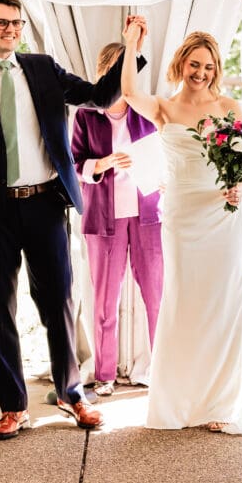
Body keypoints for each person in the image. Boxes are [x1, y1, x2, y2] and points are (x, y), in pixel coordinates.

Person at [0, 0, 139, 439]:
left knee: (59, 300)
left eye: (16, 23)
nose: (10, 30)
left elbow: (101, 95)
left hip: (46, 203)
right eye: (1, 22)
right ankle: (13, 406)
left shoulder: (43, 68)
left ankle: (71, 393)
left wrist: (131, 48)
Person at [120, 21, 242, 435]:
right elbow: (129, 92)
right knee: (184, 302)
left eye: (208, 66)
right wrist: (131, 45)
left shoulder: (229, 108)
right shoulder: (165, 108)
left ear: (216, 69)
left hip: (223, 215)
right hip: (182, 215)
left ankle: (222, 402)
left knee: (223, 305)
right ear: (181, 63)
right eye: (194, 64)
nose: (200, 72)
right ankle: (179, 402)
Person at [70, 42, 163, 397]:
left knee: (156, 297)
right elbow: (74, 164)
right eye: (112, 72)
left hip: (147, 215)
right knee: (105, 302)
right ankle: (105, 373)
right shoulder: (85, 116)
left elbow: (164, 159)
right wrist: (106, 163)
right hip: (102, 220)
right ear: (102, 75)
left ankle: (161, 367)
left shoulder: (148, 113)